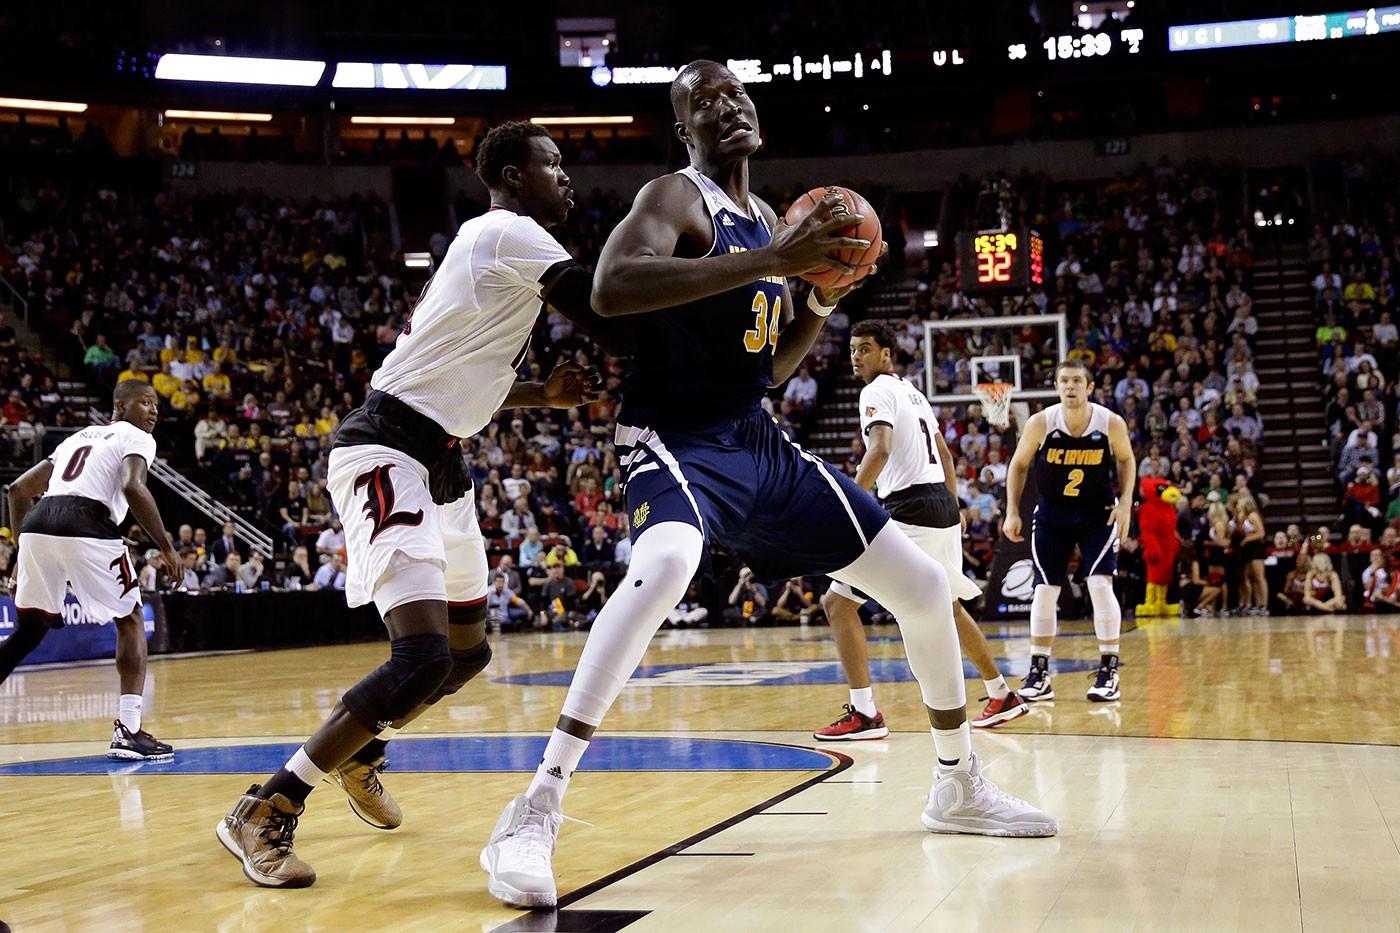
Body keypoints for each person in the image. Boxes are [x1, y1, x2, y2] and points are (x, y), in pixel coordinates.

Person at [482, 61, 1055, 912]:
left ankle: (956, 781)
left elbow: (773, 368)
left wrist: (818, 302)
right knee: (665, 566)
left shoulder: (766, 219)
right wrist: (774, 258)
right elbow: (610, 286)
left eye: (736, 92)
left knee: (924, 585)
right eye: (704, 99)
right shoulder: (676, 198)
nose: (727, 104)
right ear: (685, 129)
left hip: (756, 442)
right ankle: (537, 805)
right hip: (675, 437)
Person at [217, 121, 611, 889]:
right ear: (510, 174)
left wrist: (540, 393)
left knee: (465, 654)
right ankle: (267, 805)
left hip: (441, 459)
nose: (566, 176)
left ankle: (360, 747)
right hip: (388, 448)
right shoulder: (505, 231)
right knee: (422, 656)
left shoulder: (499, 250)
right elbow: (605, 307)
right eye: (552, 162)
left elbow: (453, 374)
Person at [816, 321, 1027, 740]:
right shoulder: (913, 392)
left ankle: (865, 714)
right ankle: (1001, 694)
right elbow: (945, 454)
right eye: (853, 349)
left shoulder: (875, 391)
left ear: (886, 354)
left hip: (910, 506)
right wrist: (954, 504)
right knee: (947, 604)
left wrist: (850, 502)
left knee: (837, 604)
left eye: (865, 349)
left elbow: (880, 449)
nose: (856, 356)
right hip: (939, 505)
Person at [0, 380, 180, 760]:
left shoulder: (77, 437)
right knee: (130, 618)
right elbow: (133, 486)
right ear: (121, 407)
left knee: (30, 631)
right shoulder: (136, 437)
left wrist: (20, 555)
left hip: (37, 523)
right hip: (87, 521)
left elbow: (18, 490)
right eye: (145, 402)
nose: (154, 410)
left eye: (156, 404)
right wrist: (166, 546)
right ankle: (129, 731)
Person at [1003, 360, 1136, 703]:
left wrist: (1125, 503)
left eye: (1077, 380)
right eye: (1064, 381)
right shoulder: (1041, 422)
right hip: (1052, 514)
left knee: (1100, 585)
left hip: (1098, 514)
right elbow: (1018, 465)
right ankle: (1039, 674)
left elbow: (1126, 459)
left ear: (1089, 387)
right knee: (1044, 591)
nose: (1070, 386)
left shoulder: (1110, 422)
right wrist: (1012, 511)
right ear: (1057, 386)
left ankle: (1109, 671)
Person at [1231, 495, 1267, 615]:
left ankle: (1264, 604)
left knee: (1259, 577)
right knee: (1253, 578)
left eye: (1239, 504)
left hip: (1257, 548)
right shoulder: (1244, 516)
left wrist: (1246, 539)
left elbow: (1261, 533)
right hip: (1249, 549)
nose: (1238, 506)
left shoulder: (1253, 515)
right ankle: (1257, 604)